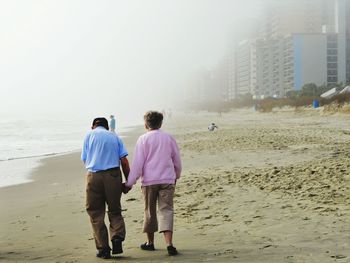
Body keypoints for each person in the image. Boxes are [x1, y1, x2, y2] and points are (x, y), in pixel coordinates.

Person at [124, 111, 182, 256]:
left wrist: (129, 184)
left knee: (149, 211)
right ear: (161, 123)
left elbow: (138, 164)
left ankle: (150, 243)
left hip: (149, 181)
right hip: (167, 179)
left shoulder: (143, 139)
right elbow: (177, 160)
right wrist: (176, 175)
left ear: (145, 124)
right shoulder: (168, 138)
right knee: (166, 210)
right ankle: (169, 244)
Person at [81, 117, 130, 259]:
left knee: (95, 213)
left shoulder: (88, 136)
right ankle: (117, 237)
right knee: (115, 209)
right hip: (113, 175)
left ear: (92, 126)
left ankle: (103, 248)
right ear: (107, 127)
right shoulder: (114, 136)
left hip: (94, 176)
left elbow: (85, 159)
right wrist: (128, 182)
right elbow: (124, 161)